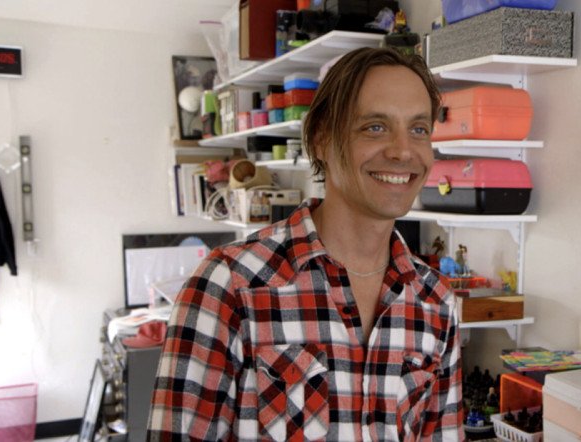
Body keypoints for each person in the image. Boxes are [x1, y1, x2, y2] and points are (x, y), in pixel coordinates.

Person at [147, 47, 463, 441]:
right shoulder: (229, 286)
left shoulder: (436, 301)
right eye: (375, 127)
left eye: (418, 130)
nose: (402, 151)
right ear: (321, 139)